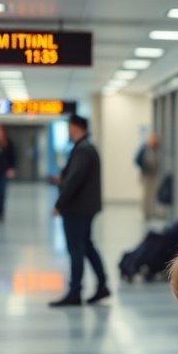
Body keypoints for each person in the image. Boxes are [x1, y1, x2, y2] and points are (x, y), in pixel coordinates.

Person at [49, 115, 110, 307]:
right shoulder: (86, 148)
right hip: (84, 207)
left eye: (69, 127)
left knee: (76, 248)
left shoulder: (83, 150)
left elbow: (75, 179)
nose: (68, 131)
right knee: (86, 245)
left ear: (76, 127)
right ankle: (102, 285)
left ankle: (75, 292)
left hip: (77, 208)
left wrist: (59, 203)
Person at [135, 132, 160, 219]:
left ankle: (151, 211)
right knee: (146, 194)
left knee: (152, 194)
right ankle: (145, 212)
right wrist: (143, 167)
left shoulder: (156, 149)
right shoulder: (144, 149)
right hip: (145, 175)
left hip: (153, 174)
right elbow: (136, 160)